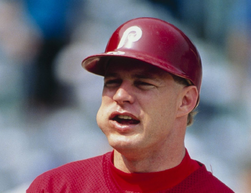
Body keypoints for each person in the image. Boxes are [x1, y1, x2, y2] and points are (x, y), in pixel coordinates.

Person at [27, 17, 234, 192]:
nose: (121, 95)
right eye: (112, 82)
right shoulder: (54, 188)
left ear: (185, 101)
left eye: (143, 83)